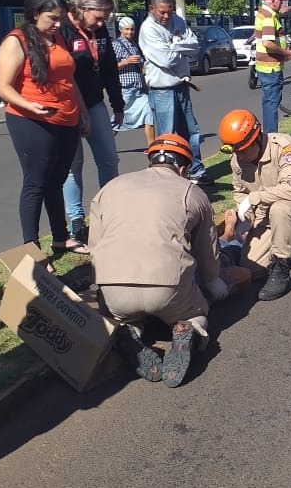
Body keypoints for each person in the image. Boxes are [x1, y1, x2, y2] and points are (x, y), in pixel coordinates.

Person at [89, 134, 227, 387]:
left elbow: (95, 247)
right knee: (196, 315)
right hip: (167, 287)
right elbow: (207, 251)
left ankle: (128, 331)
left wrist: (101, 288)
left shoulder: (110, 187)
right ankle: (190, 330)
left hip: (114, 287)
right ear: (183, 168)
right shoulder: (192, 192)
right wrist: (214, 282)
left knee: (124, 318)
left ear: (151, 159)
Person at [0, 0, 90, 255]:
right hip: (31, 120)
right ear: (35, 14)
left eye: (61, 18)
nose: (58, 24)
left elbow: (69, 80)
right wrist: (30, 106)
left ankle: (60, 238)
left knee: (56, 180)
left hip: (66, 119)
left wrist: (82, 112)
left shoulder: (57, 37)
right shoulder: (16, 41)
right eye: (52, 18)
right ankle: (32, 248)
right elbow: (2, 87)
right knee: (35, 183)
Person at [219, 108, 291, 301]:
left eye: (242, 150)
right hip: (265, 217)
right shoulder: (237, 160)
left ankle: (281, 268)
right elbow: (240, 192)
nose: (239, 156)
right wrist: (246, 218)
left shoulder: (284, 147)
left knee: (280, 208)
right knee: (252, 269)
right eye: (235, 151)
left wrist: (255, 198)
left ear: (256, 139)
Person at [60, 0, 125, 242]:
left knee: (109, 159)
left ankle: (109, 211)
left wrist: (117, 104)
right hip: (69, 106)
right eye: (98, 17)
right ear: (83, 8)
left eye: (105, 19)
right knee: (73, 165)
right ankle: (76, 220)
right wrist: (77, 112)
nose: (101, 23)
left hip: (96, 102)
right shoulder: (63, 28)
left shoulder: (100, 31)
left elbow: (109, 68)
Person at [138, 0, 210, 184]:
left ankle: (196, 170)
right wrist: (180, 48)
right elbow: (166, 60)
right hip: (162, 90)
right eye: (162, 12)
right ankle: (167, 176)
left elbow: (195, 46)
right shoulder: (148, 29)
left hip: (182, 85)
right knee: (167, 136)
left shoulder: (178, 20)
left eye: (169, 11)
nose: (166, 16)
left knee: (191, 131)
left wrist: (173, 47)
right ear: (152, 9)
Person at [252, 0, 291, 133]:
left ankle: (268, 134)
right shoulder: (269, 17)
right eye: (280, 0)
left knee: (268, 102)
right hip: (271, 67)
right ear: (273, 1)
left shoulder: (263, 12)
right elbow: (267, 43)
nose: (282, 3)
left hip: (264, 66)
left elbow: (283, 10)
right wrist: (286, 53)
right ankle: (271, 135)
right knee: (272, 103)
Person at [111, 16, 155, 146]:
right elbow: (111, 67)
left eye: (132, 29)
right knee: (117, 120)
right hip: (125, 89)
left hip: (138, 89)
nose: (129, 32)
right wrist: (127, 62)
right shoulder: (116, 44)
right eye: (126, 29)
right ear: (120, 30)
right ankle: (105, 142)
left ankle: (152, 147)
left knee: (149, 114)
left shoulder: (134, 45)